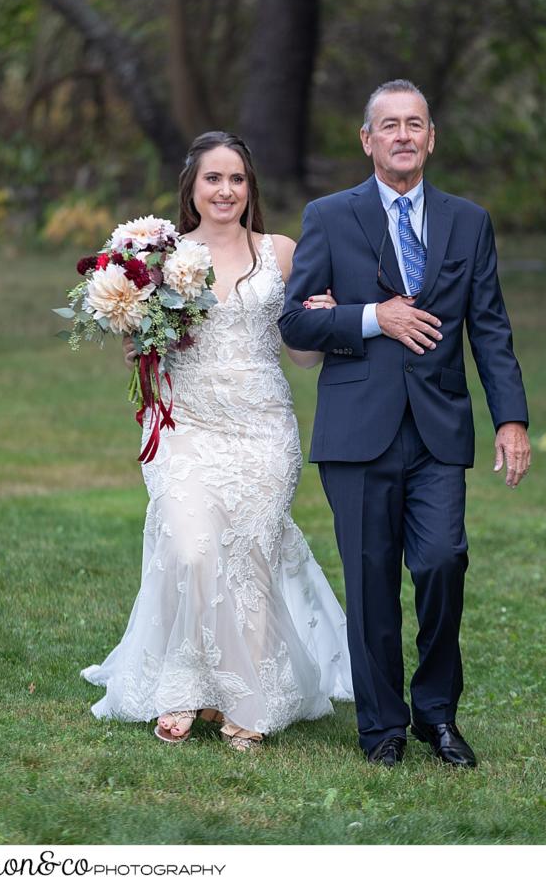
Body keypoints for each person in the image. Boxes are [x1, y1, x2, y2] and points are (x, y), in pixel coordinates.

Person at [279, 79, 530, 769]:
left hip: (439, 429)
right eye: (387, 125)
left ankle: (437, 715)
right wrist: (370, 316)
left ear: (429, 138)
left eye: (413, 123)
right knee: (369, 581)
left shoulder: (467, 220)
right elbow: (295, 319)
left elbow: (489, 327)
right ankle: (382, 728)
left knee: (443, 559)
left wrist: (509, 418)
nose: (401, 135)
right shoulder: (330, 216)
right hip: (357, 429)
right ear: (366, 140)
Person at [81, 131, 353, 750]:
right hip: (183, 425)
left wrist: (326, 314)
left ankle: (247, 702)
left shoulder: (282, 253)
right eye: (213, 179)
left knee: (248, 553)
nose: (225, 190)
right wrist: (136, 344)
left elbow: (304, 355)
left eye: (236, 179)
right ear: (192, 189)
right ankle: (185, 685)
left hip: (262, 430)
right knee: (193, 548)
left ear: (250, 187)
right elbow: (141, 344)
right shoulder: (157, 259)